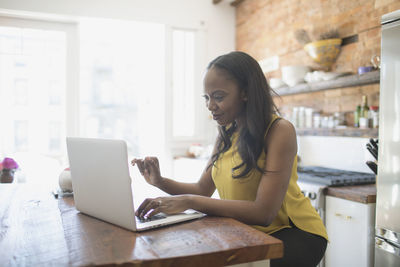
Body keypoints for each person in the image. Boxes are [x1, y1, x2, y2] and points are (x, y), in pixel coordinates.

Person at [131, 51, 328, 267]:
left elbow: (264, 213)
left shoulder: (279, 130)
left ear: (245, 92)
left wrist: (188, 201)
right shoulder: (226, 133)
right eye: (206, 97)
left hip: (294, 234)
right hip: (246, 230)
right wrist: (159, 181)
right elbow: (201, 189)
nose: (210, 106)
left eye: (219, 96)